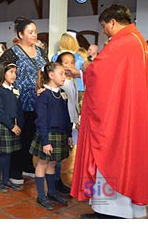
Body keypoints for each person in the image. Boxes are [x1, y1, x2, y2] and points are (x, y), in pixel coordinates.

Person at [70, 4, 148, 219]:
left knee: (111, 155)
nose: (104, 31)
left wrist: (85, 68)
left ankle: (110, 213)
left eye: (104, 26)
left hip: (117, 116)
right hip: (130, 111)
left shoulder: (122, 42)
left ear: (113, 22)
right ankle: (127, 209)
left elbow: (100, 73)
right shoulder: (138, 41)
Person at [0, 17, 48, 185]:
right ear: (20, 34)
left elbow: (47, 71)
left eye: (35, 32)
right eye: (30, 32)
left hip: (36, 101)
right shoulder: (12, 52)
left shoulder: (41, 51)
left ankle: (27, 166)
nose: (34, 35)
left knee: (31, 135)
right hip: (17, 101)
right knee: (18, 137)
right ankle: (14, 171)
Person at [29, 62, 72, 210]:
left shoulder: (62, 94)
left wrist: (69, 134)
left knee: (53, 163)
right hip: (47, 134)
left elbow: (66, 116)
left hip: (60, 134)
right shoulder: (44, 95)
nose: (64, 76)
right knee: (42, 163)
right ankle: (41, 195)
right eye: (61, 73)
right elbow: (41, 120)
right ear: (51, 75)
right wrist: (46, 141)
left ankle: (52, 192)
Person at [0, 61, 23, 192]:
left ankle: (6, 179)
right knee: (4, 154)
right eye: (11, 72)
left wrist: (19, 124)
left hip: (14, 125)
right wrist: (11, 126)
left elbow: (19, 109)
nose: (14, 75)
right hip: (5, 125)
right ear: (3, 73)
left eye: (15, 72)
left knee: (9, 154)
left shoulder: (15, 90)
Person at [54, 52, 79, 196]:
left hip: (71, 121)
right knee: (57, 155)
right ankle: (55, 182)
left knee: (64, 154)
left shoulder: (73, 80)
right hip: (62, 122)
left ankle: (58, 181)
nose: (69, 66)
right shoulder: (61, 84)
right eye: (66, 63)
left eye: (72, 62)